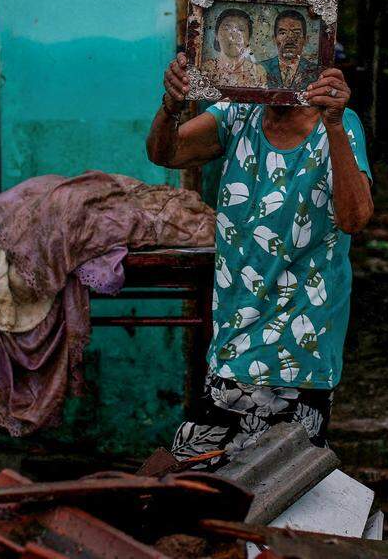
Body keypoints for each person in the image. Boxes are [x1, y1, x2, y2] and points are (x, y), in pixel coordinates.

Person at [146, 54, 373, 457]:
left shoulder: (339, 126)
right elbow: (167, 153)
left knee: (286, 477)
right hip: (236, 331)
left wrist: (335, 124)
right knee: (209, 467)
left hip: (301, 339)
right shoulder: (239, 114)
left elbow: (355, 218)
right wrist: (171, 107)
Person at [200, 9, 267, 88]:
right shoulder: (205, 69)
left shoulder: (258, 72)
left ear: (248, 38)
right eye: (227, 28)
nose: (234, 35)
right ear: (216, 35)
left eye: (241, 29)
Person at [260, 10, 319, 90]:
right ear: (274, 39)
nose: (289, 39)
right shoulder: (261, 68)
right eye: (283, 33)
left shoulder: (316, 71)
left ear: (306, 40)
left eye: (296, 33)